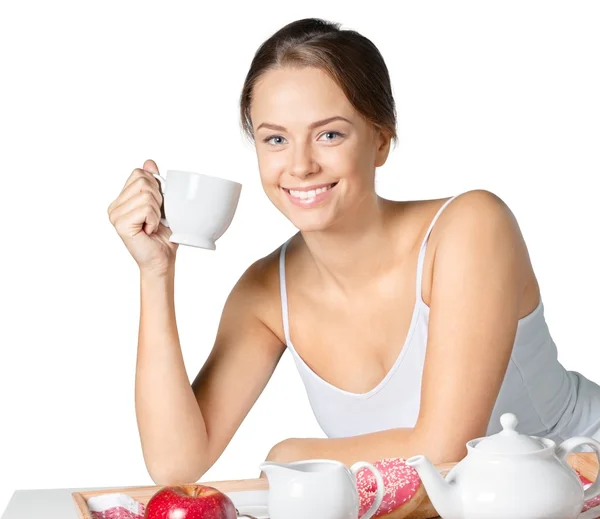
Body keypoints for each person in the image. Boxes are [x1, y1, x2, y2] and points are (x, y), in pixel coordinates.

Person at [107, 17, 600, 485]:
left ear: (380, 140)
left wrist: (289, 456)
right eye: (275, 139)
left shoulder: (470, 228)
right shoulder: (264, 294)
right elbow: (176, 462)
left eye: (329, 134)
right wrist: (155, 273)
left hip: (579, 481)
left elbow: (446, 450)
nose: (300, 165)